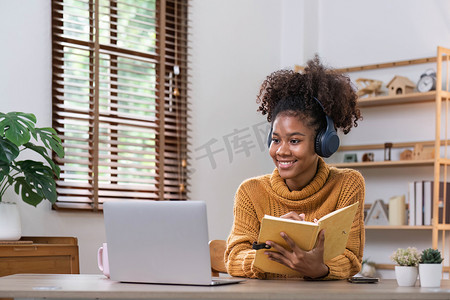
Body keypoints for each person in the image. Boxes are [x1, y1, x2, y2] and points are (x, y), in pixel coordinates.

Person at [225, 56, 365, 280]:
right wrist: (272, 247)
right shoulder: (250, 191)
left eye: (294, 141)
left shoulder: (347, 184)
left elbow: (351, 257)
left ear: (322, 142)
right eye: (276, 139)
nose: (281, 151)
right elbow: (233, 259)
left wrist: (321, 270)